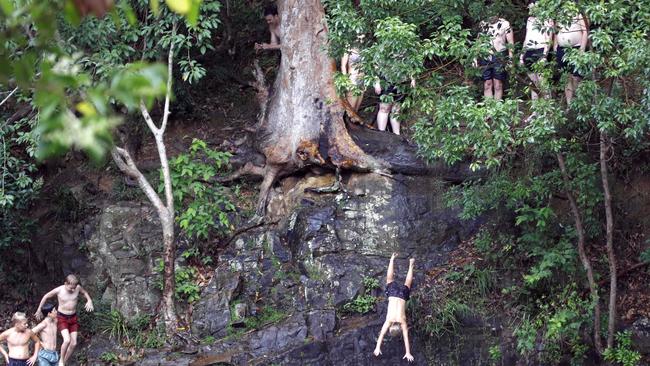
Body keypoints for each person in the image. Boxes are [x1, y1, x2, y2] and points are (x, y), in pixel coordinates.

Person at [35, 274, 94, 366]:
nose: (73, 290)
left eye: (74, 288)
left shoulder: (77, 288)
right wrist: (39, 309)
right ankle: (61, 360)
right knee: (66, 340)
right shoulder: (59, 290)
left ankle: (63, 362)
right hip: (62, 317)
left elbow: (85, 293)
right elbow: (46, 296)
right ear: (65, 283)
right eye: (71, 288)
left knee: (74, 343)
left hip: (73, 317)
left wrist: (89, 300)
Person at [373, 253, 415, 362]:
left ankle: (411, 264)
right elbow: (382, 334)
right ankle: (392, 259)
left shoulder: (403, 322)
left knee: (407, 284)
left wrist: (408, 352)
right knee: (389, 280)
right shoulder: (389, 320)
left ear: (400, 328)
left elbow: (406, 338)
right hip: (392, 295)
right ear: (391, 326)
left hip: (402, 297)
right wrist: (377, 347)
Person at [520, 0, 554, 100]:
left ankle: (547, 109)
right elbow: (526, 38)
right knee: (533, 83)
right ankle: (536, 110)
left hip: (540, 50)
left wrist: (544, 55)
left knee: (542, 81)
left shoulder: (547, 19)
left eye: (532, 7)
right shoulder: (530, 20)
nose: (530, 9)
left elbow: (549, 39)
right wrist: (522, 55)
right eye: (530, 7)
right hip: (529, 51)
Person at [474, 16, 514, 100]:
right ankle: (489, 109)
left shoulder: (504, 24)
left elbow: (510, 42)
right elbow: (478, 42)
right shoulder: (483, 24)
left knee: (498, 84)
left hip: (499, 55)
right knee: (487, 83)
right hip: (485, 55)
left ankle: (497, 108)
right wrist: (474, 57)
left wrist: (511, 59)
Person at [554, 11, 588, 104]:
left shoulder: (577, 12)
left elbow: (585, 31)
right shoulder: (559, 14)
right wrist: (555, 48)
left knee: (577, 77)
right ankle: (570, 105)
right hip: (561, 49)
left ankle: (580, 104)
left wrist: (582, 49)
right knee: (566, 78)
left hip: (576, 48)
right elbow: (556, 32)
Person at [341, 35, 366, 112]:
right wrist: (346, 82)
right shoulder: (348, 47)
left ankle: (353, 122)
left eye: (362, 38)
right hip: (352, 78)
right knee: (351, 108)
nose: (360, 40)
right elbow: (343, 65)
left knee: (356, 108)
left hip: (362, 78)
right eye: (358, 38)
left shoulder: (364, 47)